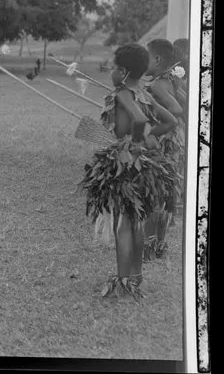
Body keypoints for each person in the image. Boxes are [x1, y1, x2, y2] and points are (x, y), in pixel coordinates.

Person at [80, 43, 180, 300]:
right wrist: (148, 138)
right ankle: (135, 278)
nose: (111, 72)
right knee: (136, 221)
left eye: (114, 68)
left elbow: (138, 120)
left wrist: (135, 143)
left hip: (127, 162)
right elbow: (171, 121)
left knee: (123, 223)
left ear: (123, 72)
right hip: (144, 163)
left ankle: (124, 283)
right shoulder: (144, 92)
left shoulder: (123, 93)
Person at [144, 39, 186, 253]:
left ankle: (150, 243)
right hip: (175, 141)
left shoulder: (156, 84)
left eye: (145, 57)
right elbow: (184, 101)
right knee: (165, 192)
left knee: (154, 192)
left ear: (157, 59)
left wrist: (153, 129)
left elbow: (177, 110)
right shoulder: (170, 79)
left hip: (163, 141)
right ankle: (159, 242)